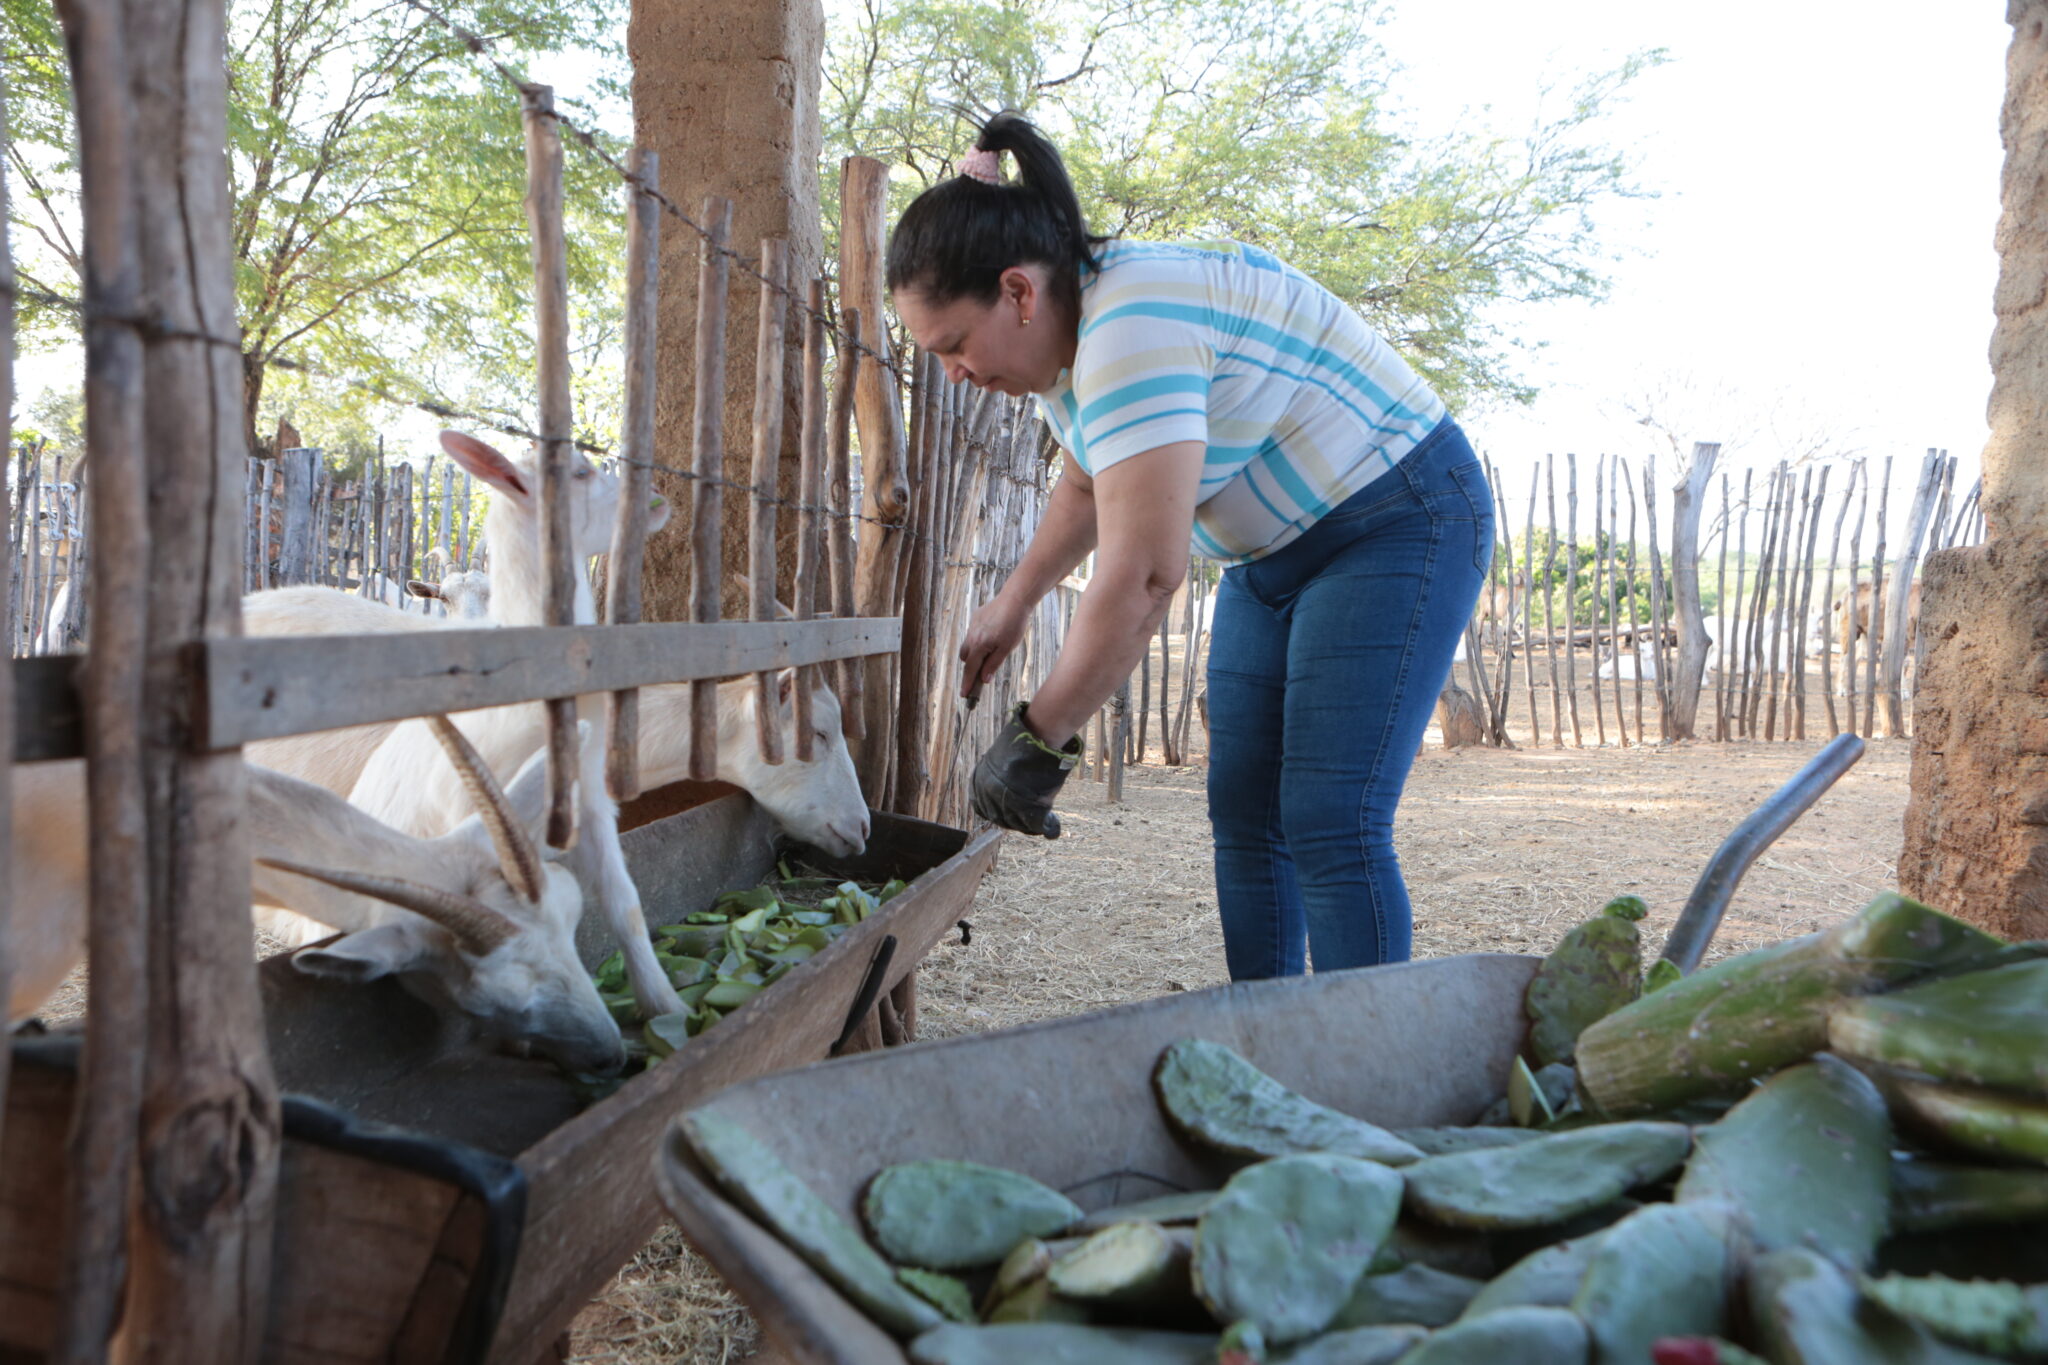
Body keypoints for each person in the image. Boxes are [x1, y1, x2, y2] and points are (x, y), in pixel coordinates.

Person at [885, 112, 1494, 980]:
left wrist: (1038, 736)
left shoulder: (1132, 326)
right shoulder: (1071, 347)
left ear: (1018, 292)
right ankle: (1266, 1049)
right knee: (1244, 813)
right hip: (1270, 557)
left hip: (1395, 517)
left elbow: (1142, 578)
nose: (953, 371)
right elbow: (1090, 481)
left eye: (952, 345)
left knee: (1327, 814)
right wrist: (1014, 601)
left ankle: (1368, 1071)